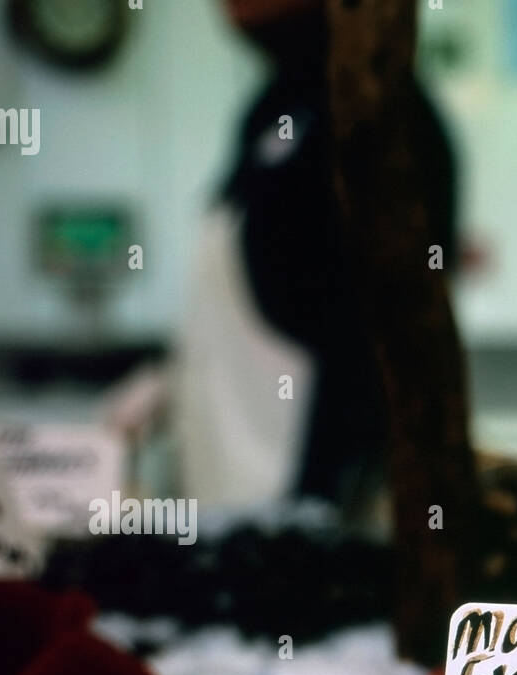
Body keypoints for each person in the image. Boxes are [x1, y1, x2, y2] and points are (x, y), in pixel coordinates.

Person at [132, 0, 458, 511]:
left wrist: (324, 487)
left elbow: (381, 323)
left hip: (303, 457)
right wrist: (167, 378)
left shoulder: (390, 116)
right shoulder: (272, 108)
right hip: (230, 442)